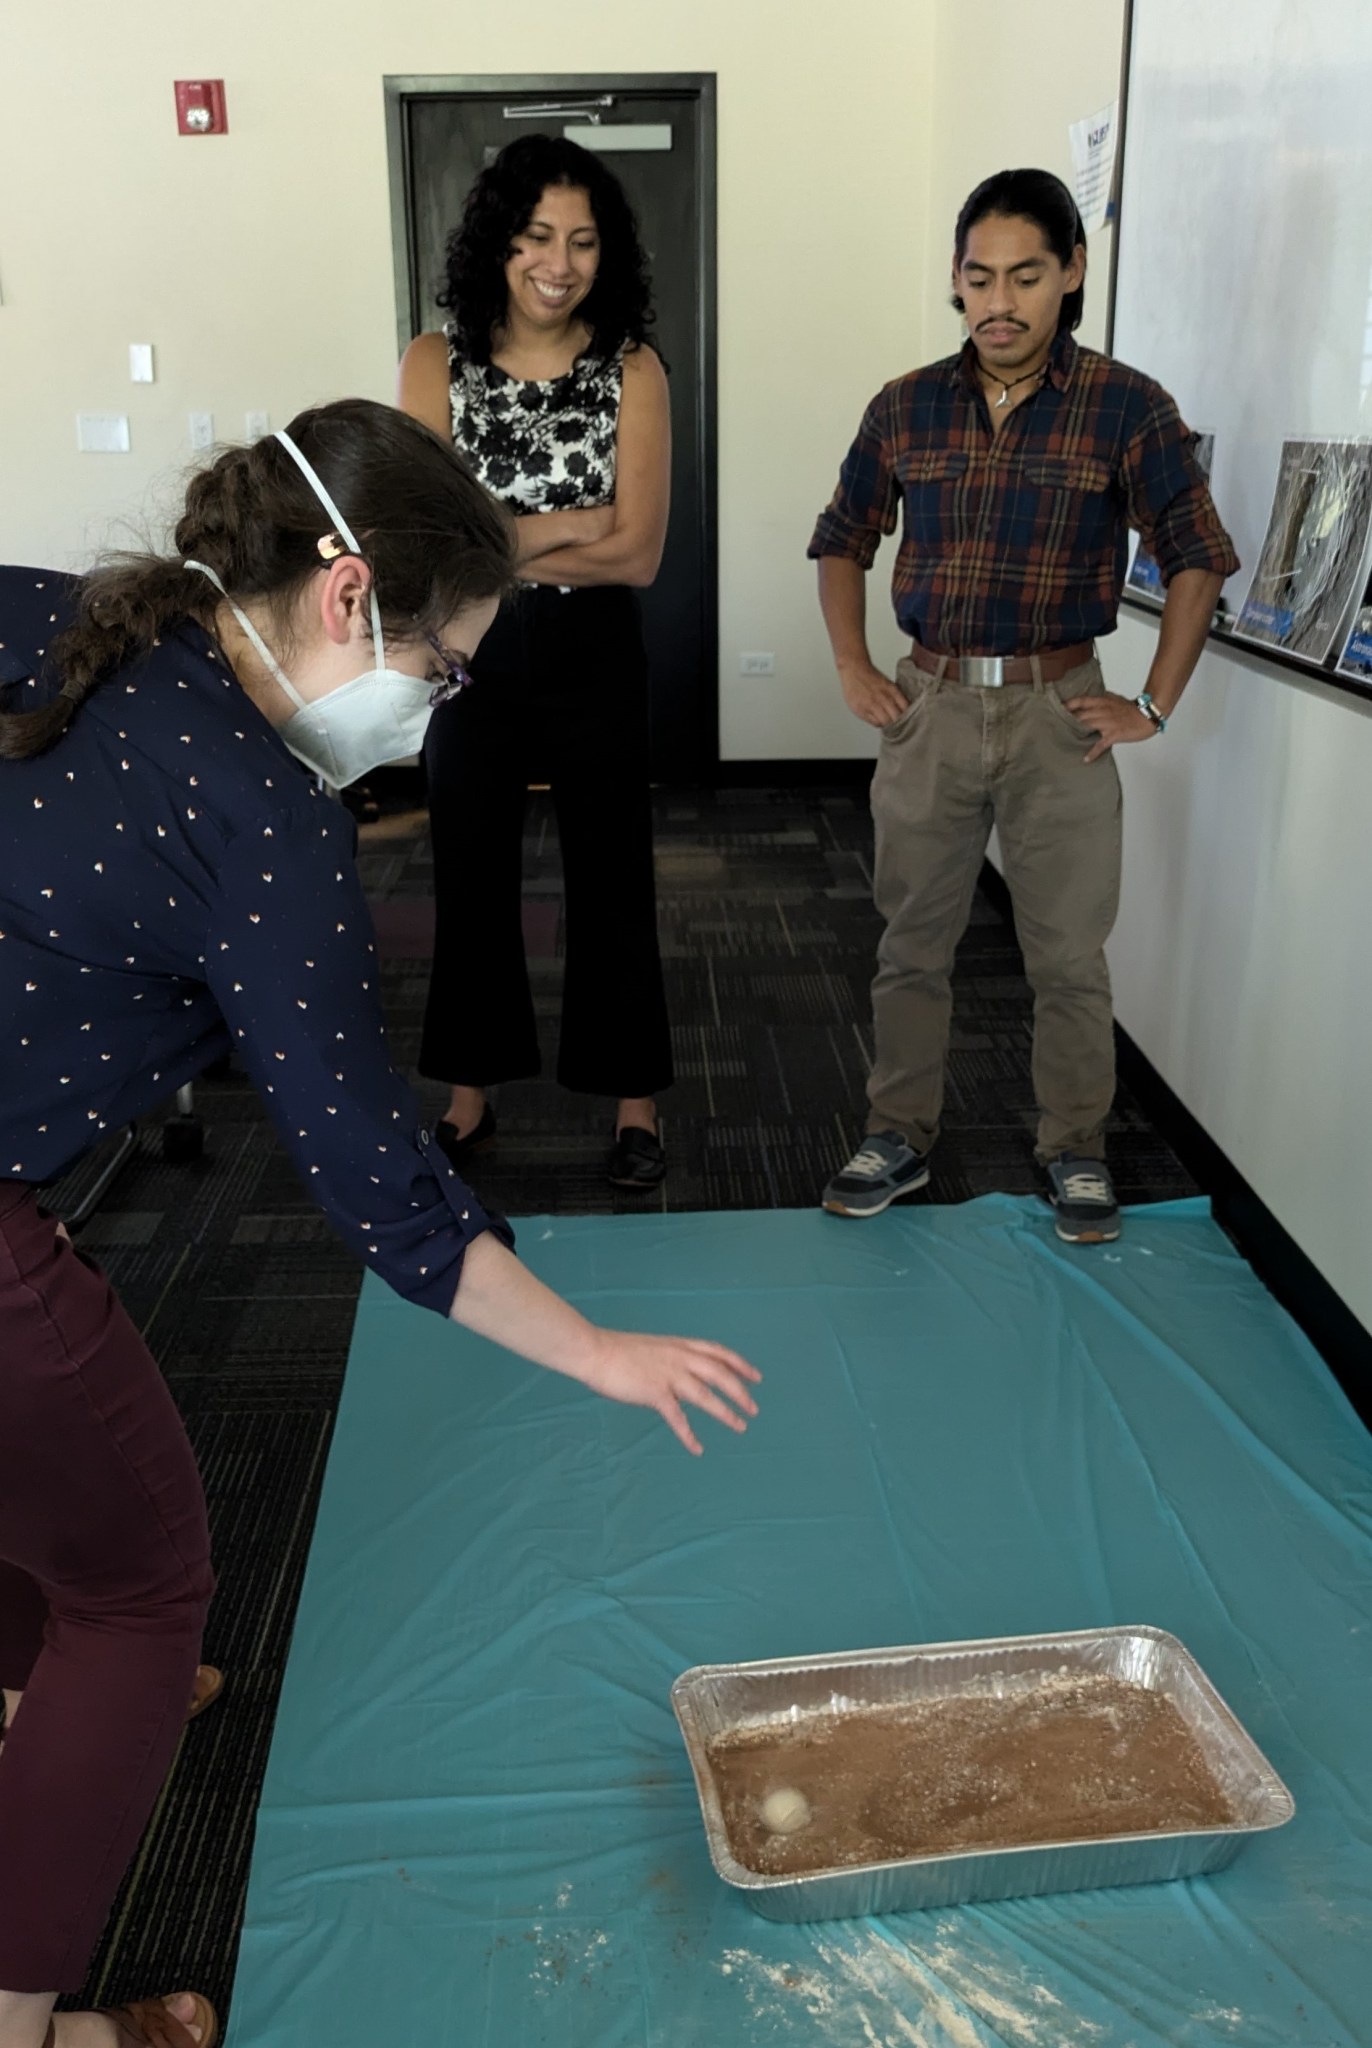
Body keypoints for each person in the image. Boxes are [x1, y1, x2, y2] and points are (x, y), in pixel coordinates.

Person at [0, 399, 759, 2048]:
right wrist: (598, 1351)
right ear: (352, 600)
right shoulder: (269, 834)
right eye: (450, 666)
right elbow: (381, 1191)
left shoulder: (80, 614)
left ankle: (28, 1689)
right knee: (146, 1582)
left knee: (38, 1478)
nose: (440, 710)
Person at [808, 168, 1239, 1244]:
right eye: (978, 276)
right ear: (955, 281)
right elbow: (840, 537)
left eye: (1025, 276)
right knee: (912, 939)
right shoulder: (904, 404)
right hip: (932, 707)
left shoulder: (1129, 407)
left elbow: (1196, 555)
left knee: (1065, 956)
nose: (998, 301)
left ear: (1071, 274)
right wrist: (856, 668)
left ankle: (1075, 1148)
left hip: (1062, 714)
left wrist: (1152, 702)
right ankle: (896, 1131)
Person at [397, 134, 674, 1191]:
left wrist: (498, 532)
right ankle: (470, 1096)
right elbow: (429, 544)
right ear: (498, 243)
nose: (559, 262)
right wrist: (572, 519)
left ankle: (633, 1103)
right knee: (469, 871)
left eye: (583, 242)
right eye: (536, 236)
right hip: (465, 647)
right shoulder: (434, 361)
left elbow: (640, 550)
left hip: (593, 647)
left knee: (614, 872)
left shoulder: (630, 365)